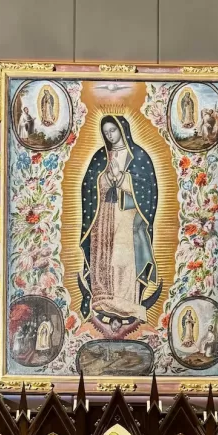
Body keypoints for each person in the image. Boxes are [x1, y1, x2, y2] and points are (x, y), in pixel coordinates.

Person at [79, 116, 160, 329]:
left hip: (128, 216)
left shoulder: (140, 156)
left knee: (123, 259)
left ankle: (127, 302)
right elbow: (88, 186)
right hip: (103, 215)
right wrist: (106, 179)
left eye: (113, 130)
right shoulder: (100, 156)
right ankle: (103, 298)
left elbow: (148, 190)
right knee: (103, 257)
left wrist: (123, 179)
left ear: (123, 129)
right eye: (106, 132)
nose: (110, 135)